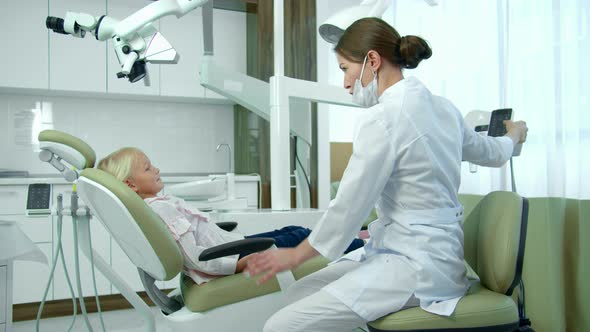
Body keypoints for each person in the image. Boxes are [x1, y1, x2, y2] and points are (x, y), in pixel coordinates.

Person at [244, 17, 529, 332]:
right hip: (426, 256)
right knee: (300, 293)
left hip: (416, 265)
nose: (345, 83)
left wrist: (297, 254)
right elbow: (493, 152)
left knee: (281, 326)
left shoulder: (383, 117)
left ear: (373, 61)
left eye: (344, 70)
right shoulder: (445, 109)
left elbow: (351, 204)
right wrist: (513, 135)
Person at [97, 147, 365, 285]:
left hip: (229, 243)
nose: (156, 169)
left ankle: (355, 237)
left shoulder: (158, 204)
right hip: (231, 255)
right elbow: (194, 257)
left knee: (294, 229)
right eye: (147, 168)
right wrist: (237, 265)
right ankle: (362, 245)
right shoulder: (160, 209)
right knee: (301, 236)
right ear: (131, 184)